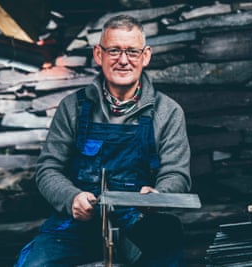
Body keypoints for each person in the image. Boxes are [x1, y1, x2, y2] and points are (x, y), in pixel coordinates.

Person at [14, 14, 191, 267]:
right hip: (77, 223)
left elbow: (177, 174)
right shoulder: (72, 108)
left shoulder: (168, 111)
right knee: (33, 264)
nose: (123, 60)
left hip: (140, 220)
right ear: (99, 54)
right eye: (114, 50)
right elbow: (48, 170)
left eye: (132, 51)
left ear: (145, 56)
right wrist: (71, 198)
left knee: (165, 247)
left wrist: (158, 195)